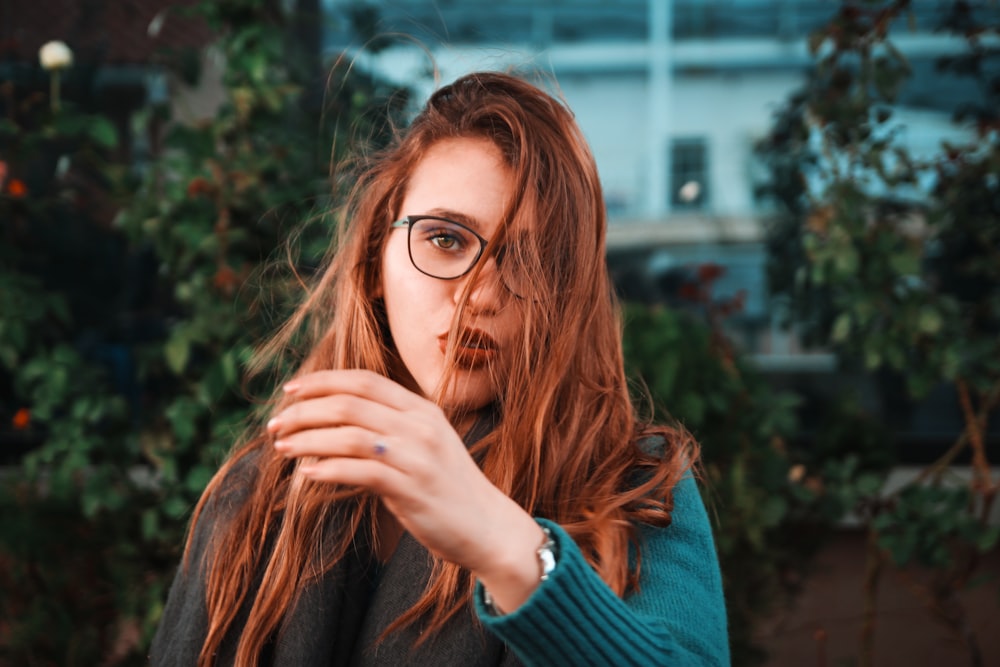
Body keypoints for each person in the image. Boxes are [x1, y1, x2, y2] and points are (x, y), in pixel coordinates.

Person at [150, 70, 729, 666]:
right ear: (376, 260)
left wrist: (507, 548)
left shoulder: (632, 484)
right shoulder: (254, 498)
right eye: (446, 239)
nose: (481, 294)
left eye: (530, 261)